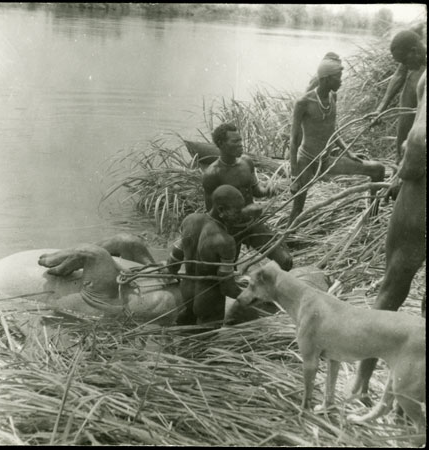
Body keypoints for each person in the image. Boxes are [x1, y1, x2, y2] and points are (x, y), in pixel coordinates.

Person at [350, 70, 427, 403]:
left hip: (421, 198)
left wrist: (403, 174)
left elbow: (419, 138)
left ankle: (361, 385)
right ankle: (412, 389)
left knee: (391, 290)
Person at [287, 55, 385, 227]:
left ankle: (372, 219)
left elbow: (333, 131)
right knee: (297, 209)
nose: (341, 82)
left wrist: (349, 152)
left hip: (327, 161)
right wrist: (295, 175)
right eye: (338, 78)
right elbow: (294, 141)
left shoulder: (333, 97)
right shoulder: (303, 102)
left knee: (378, 169)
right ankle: (285, 242)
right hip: (307, 162)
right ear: (325, 79)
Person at [202, 123, 293, 271]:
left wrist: (268, 190)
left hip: (251, 224)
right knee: (226, 274)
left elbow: (256, 191)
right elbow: (212, 215)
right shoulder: (212, 174)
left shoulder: (246, 162)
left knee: (285, 261)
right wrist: (243, 212)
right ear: (221, 144)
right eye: (235, 142)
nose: (241, 145)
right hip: (229, 231)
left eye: (240, 140)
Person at [165, 185, 248, 325]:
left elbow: (173, 261)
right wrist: (250, 297)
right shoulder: (226, 241)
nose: (241, 215)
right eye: (238, 212)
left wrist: (169, 273)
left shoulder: (189, 220)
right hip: (208, 301)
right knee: (206, 342)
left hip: (186, 294)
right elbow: (226, 287)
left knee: (185, 335)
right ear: (221, 210)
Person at [370, 28, 426, 163]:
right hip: (413, 95)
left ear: (414, 51)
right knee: (405, 127)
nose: (405, 65)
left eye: (405, 61)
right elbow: (400, 74)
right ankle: (399, 162)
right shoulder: (412, 58)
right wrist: (380, 109)